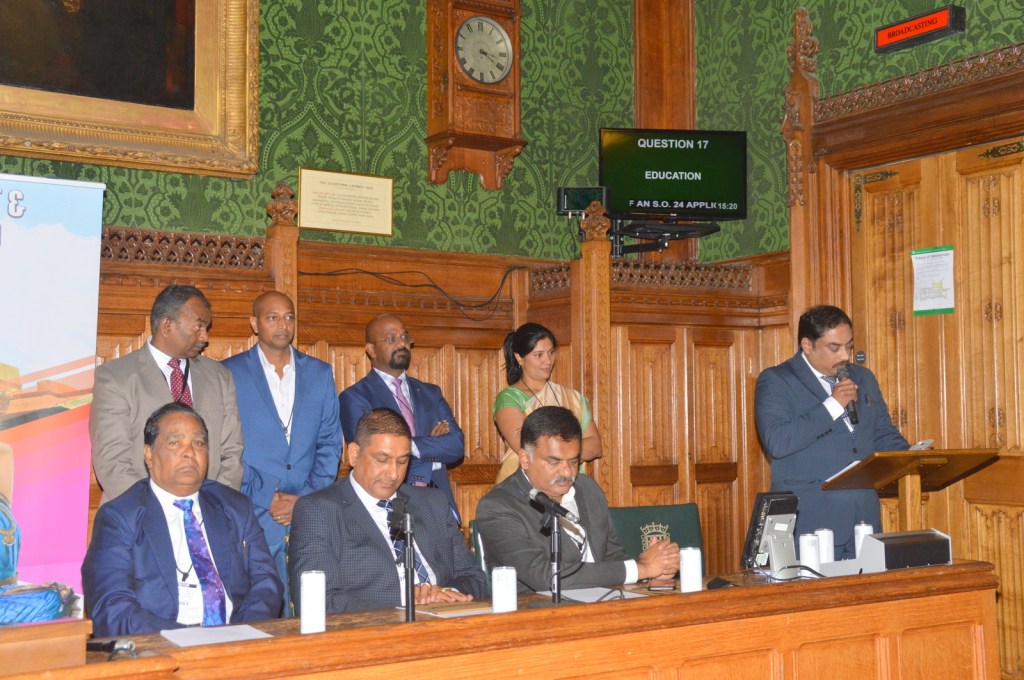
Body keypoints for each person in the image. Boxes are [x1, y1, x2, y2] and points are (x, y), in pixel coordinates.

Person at [82, 403, 282, 637]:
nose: (189, 452)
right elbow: (111, 607)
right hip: (162, 647)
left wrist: (238, 635)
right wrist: (190, 640)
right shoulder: (120, 517)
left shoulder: (235, 508)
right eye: (175, 443)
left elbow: (266, 583)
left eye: (198, 443)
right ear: (149, 455)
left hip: (237, 641)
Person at [288, 408, 487, 614]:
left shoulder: (432, 502)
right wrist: (409, 600)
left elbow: (476, 580)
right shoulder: (319, 511)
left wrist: (446, 594)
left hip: (449, 620)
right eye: (382, 460)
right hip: (375, 628)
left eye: (402, 461)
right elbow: (317, 602)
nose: (393, 474)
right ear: (354, 454)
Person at [754, 305, 909, 560]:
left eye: (849, 346)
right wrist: (832, 406)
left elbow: (882, 433)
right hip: (811, 521)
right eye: (834, 348)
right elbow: (778, 442)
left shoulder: (863, 377)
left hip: (864, 519)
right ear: (807, 345)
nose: (845, 355)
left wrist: (912, 455)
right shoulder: (777, 380)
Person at [222, 291, 342, 616]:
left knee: (311, 616)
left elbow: (330, 443)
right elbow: (224, 449)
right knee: (259, 619)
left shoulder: (319, 373)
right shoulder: (228, 373)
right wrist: (267, 497)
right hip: (254, 514)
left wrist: (305, 499)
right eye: (272, 317)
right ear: (254, 323)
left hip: (309, 515)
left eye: (289, 317)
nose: (283, 325)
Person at [476, 406, 678, 592]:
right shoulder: (498, 506)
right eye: (554, 462)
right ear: (525, 458)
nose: (567, 472)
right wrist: (641, 569)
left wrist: (655, 571)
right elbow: (544, 576)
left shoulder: (587, 489)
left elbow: (612, 556)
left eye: (573, 461)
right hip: (539, 613)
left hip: (605, 605)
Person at [90, 284, 244, 503]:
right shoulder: (116, 376)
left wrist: (211, 507)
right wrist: (160, 510)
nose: (205, 336)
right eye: (198, 326)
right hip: (138, 513)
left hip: (208, 512)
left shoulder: (220, 376)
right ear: (167, 325)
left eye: (206, 328)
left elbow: (232, 452)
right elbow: (112, 461)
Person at [339, 314, 464, 522]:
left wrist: (409, 447)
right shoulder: (355, 397)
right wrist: (430, 447)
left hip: (439, 502)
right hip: (390, 504)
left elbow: (456, 446)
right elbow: (372, 455)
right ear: (371, 350)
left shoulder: (430, 393)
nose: (401, 344)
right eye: (391, 339)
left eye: (405, 337)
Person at [493, 323, 602, 484]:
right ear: (519, 358)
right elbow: (528, 448)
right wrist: (572, 452)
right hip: (524, 489)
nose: (548, 361)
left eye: (551, 352)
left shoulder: (572, 397)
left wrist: (557, 454)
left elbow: (595, 446)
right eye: (539, 355)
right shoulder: (509, 398)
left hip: (569, 485)